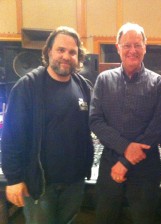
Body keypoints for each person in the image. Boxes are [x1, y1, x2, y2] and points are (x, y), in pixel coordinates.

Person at [1, 26, 94, 224]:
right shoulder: (28, 87)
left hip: (74, 182)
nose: (66, 56)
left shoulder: (83, 86)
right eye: (61, 50)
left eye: (72, 52)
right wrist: (14, 179)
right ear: (49, 51)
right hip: (40, 185)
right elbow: (10, 136)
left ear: (78, 57)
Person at [89, 22, 161, 224]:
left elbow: (158, 126)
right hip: (110, 163)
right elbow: (95, 120)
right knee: (104, 219)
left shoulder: (159, 83)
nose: (132, 50)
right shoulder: (103, 80)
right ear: (118, 47)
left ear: (145, 47)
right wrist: (126, 149)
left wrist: (125, 162)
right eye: (126, 45)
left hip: (146, 168)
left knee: (145, 219)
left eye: (137, 44)